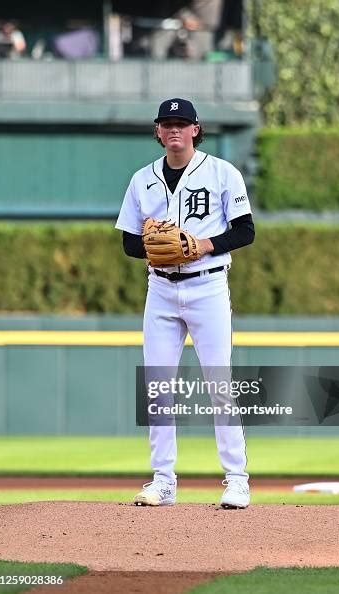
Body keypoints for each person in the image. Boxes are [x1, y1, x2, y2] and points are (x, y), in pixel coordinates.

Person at [115, 98, 255, 508]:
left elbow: (245, 231)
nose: (174, 129)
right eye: (166, 123)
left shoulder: (222, 173)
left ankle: (237, 479)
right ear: (157, 132)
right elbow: (127, 242)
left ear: (196, 129)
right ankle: (163, 480)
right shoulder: (142, 179)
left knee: (219, 383)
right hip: (160, 289)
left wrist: (203, 245)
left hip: (208, 287)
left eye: (182, 123)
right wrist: (157, 249)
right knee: (158, 386)